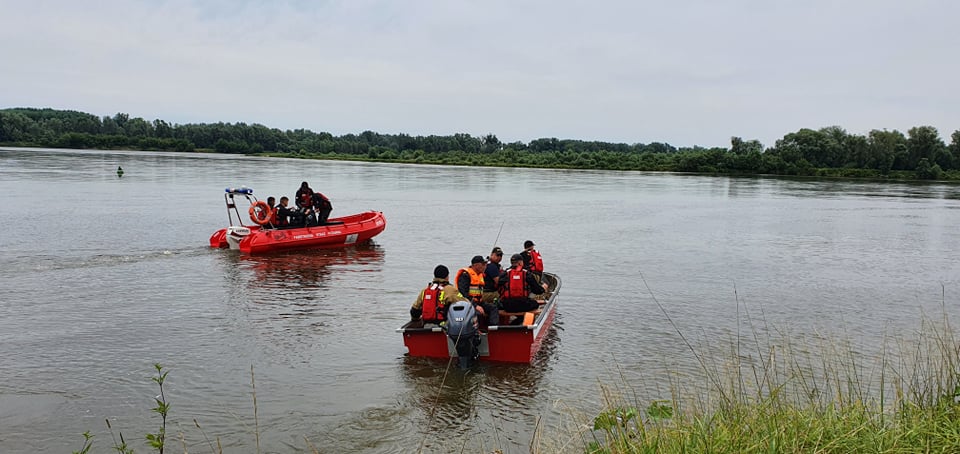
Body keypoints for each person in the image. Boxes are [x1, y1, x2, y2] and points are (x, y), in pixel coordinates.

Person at [456, 255, 498, 328]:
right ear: (475, 265)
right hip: (468, 304)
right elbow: (463, 294)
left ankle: (493, 329)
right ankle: (477, 331)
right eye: (483, 264)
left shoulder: (480, 275)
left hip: (479, 302)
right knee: (478, 314)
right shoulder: (465, 276)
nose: (485, 266)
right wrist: (475, 306)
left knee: (493, 308)